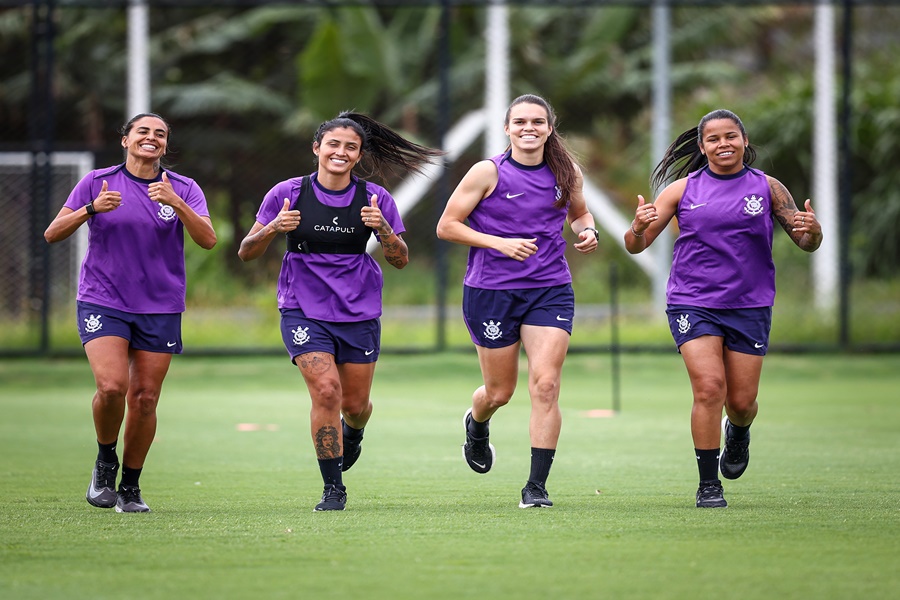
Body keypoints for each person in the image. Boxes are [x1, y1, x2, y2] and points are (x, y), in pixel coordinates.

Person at [238, 111, 443, 512]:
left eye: (350, 147)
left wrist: (382, 228)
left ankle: (354, 432)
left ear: (358, 155)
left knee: (355, 405)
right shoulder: (288, 193)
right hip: (302, 308)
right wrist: (273, 228)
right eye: (333, 144)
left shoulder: (375, 198)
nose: (341, 152)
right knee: (326, 390)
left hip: (358, 309)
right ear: (317, 148)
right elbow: (246, 251)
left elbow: (400, 259)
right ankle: (333, 488)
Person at [624, 108, 823, 508]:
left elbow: (805, 243)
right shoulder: (681, 191)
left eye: (730, 136)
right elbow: (636, 245)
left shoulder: (767, 188)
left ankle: (739, 431)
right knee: (710, 387)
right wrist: (638, 227)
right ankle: (708, 484)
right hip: (692, 301)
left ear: (744, 141)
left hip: (749, 304)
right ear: (702, 146)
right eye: (713, 139)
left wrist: (814, 233)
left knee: (742, 402)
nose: (723, 144)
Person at [44, 113, 217, 513]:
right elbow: (53, 233)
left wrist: (176, 203)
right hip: (104, 299)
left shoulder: (185, 188)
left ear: (165, 145)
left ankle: (130, 487)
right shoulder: (98, 182)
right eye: (143, 132)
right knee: (111, 387)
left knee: (145, 398)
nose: (151, 138)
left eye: (160, 134)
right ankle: (105, 461)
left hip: (160, 305)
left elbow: (208, 239)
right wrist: (91, 208)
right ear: (125, 140)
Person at [436, 94, 599, 508]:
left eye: (538, 122)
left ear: (549, 127)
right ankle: (476, 423)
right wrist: (499, 244)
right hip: (491, 291)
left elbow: (579, 213)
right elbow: (447, 226)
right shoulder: (487, 172)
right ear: (507, 129)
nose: (530, 128)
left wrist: (587, 230)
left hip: (549, 288)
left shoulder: (566, 172)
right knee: (499, 392)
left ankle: (536, 488)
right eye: (521, 121)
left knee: (546, 384)